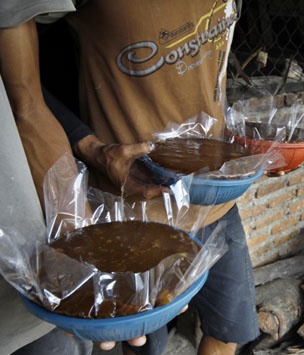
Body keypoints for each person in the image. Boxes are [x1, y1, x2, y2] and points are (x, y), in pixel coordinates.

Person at [0, 1, 260, 355]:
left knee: (232, 328)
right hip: (132, 208)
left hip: (214, 198)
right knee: (143, 340)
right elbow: (26, 91)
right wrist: (90, 148)